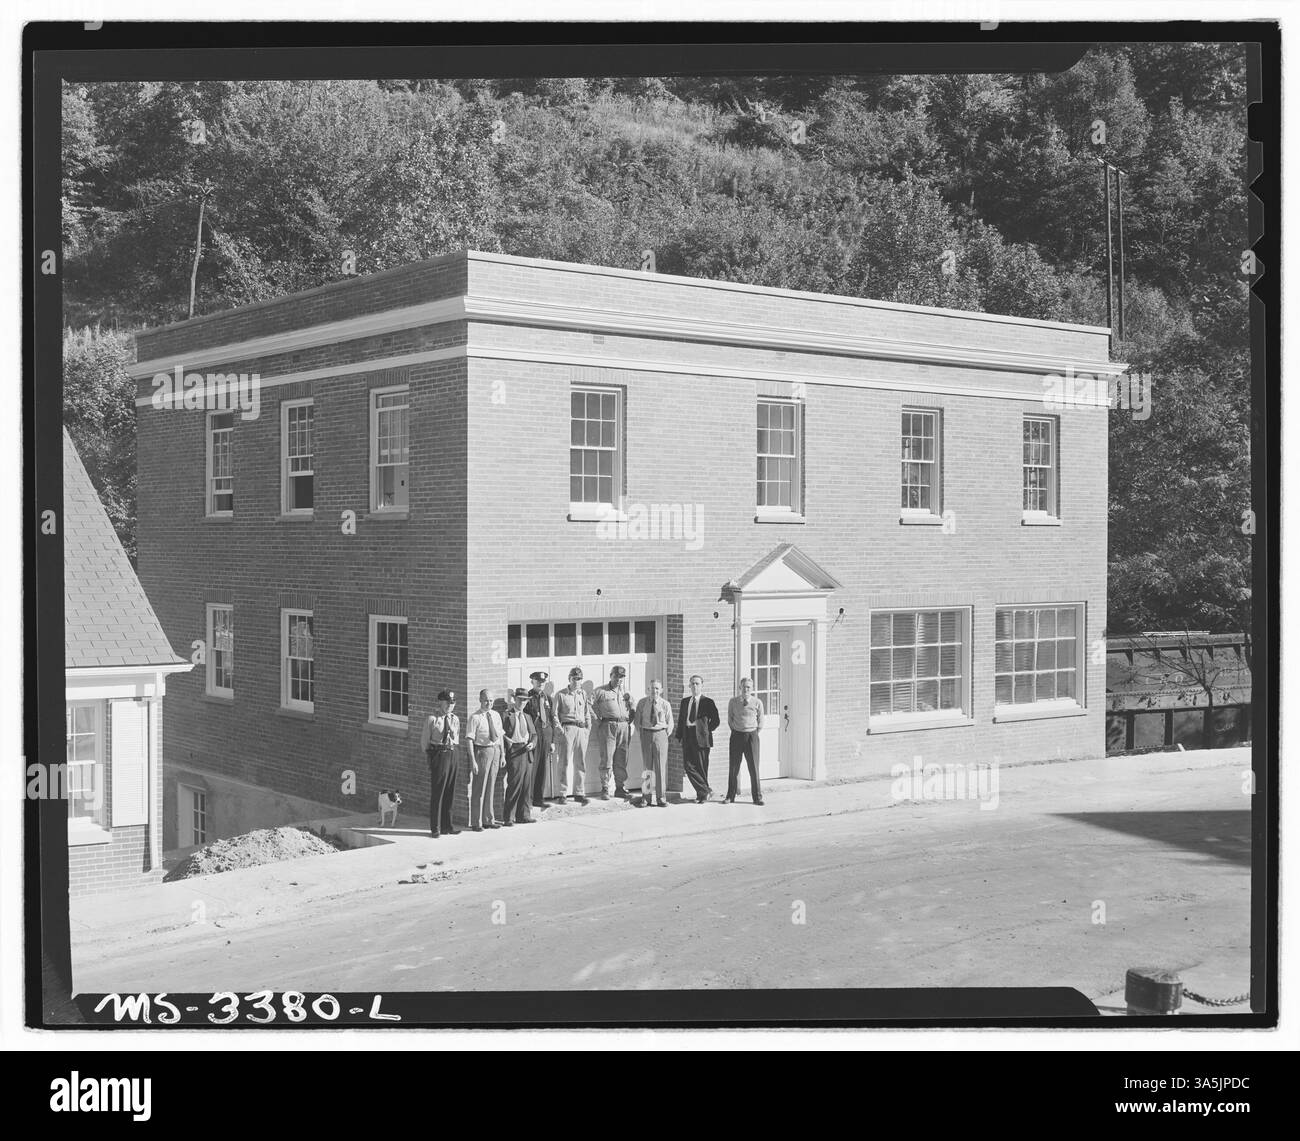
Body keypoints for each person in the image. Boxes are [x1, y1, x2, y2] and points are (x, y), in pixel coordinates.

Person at [420, 690, 461, 837]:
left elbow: (456, 738)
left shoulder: (455, 719)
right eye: (448, 703)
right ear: (440, 702)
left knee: (450, 791)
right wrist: (432, 758)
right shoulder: (432, 719)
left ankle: (447, 826)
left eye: (453, 703)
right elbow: (425, 742)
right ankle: (435, 827)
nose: (450, 706)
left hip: (452, 753)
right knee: (438, 792)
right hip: (439, 754)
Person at [592, 665, 636, 800]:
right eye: (616, 676)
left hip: (623, 726)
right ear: (611, 676)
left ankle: (620, 787)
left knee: (621, 758)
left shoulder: (626, 692)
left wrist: (630, 720)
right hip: (608, 726)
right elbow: (590, 706)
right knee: (607, 758)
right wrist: (597, 721)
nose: (619, 679)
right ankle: (605, 788)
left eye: (621, 677)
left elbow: (633, 707)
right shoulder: (600, 691)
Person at [675, 675, 720, 803]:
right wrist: (679, 736)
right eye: (692, 684)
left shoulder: (708, 702)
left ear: (702, 685)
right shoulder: (685, 702)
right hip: (687, 735)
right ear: (689, 686)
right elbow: (681, 720)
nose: (695, 686)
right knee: (688, 766)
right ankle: (706, 791)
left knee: (701, 767)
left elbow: (716, 721)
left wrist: (705, 731)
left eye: (697, 684)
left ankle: (702, 795)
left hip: (701, 738)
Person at [466, 689, 504, 830]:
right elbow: (469, 740)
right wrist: (473, 761)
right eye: (486, 700)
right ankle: (476, 822)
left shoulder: (496, 715)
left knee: (491, 786)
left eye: (491, 700)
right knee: (479, 788)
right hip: (482, 751)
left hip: (495, 751)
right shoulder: (475, 717)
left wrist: (503, 755)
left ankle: (488, 819)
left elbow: (500, 736)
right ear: (480, 700)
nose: (489, 703)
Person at [501, 688, 539, 826]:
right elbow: (501, 733)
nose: (522, 702)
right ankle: (509, 817)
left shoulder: (527, 716)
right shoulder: (507, 715)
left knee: (526, 786)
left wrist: (532, 744)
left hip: (526, 751)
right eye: (520, 699)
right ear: (514, 699)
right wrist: (507, 741)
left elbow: (534, 734)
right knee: (514, 784)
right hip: (515, 751)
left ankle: (524, 815)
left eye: (525, 700)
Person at [634, 679, 675, 807]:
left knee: (660, 768)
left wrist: (662, 735)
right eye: (652, 688)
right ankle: (646, 798)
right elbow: (637, 721)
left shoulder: (665, 704)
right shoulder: (642, 703)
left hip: (660, 735)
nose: (654, 691)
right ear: (648, 690)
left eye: (657, 688)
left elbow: (670, 722)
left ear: (661, 690)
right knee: (647, 768)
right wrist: (643, 734)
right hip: (646, 734)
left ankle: (661, 798)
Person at [553, 667, 591, 805]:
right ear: (569, 679)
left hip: (581, 730)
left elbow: (587, 713)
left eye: (579, 679)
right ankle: (562, 793)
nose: (577, 681)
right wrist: (560, 731)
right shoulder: (561, 695)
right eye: (574, 678)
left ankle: (579, 792)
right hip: (567, 729)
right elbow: (554, 715)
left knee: (580, 762)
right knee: (564, 762)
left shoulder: (583, 694)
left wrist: (587, 729)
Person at [726, 676, 766, 806]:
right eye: (743, 687)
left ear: (752, 688)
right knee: (734, 767)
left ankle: (757, 797)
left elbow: (761, 721)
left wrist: (752, 731)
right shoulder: (733, 702)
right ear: (740, 688)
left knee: (753, 768)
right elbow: (730, 719)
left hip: (751, 737)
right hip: (737, 735)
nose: (746, 689)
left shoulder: (757, 702)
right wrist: (738, 730)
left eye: (748, 687)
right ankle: (730, 796)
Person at [525, 670, 558, 808]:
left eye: (543, 682)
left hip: (546, 736)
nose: (540, 683)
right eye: (538, 681)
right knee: (532, 769)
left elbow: (551, 719)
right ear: (532, 682)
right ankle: (529, 800)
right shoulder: (527, 698)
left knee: (542, 769)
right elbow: (526, 719)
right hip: (534, 736)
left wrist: (552, 741)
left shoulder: (548, 698)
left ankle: (539, 798)